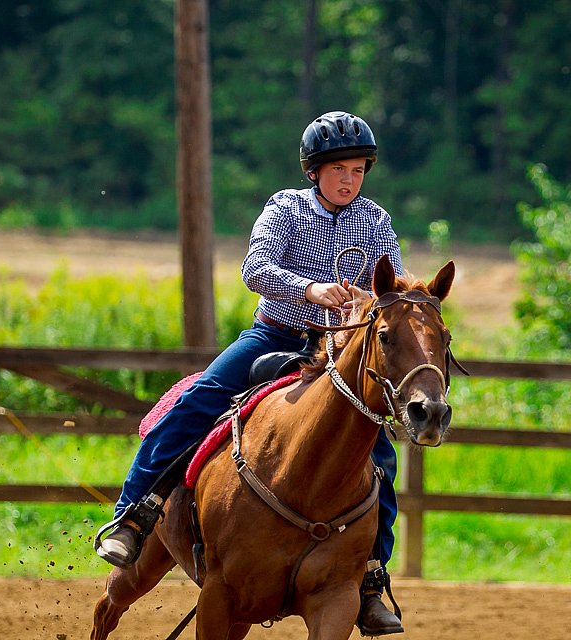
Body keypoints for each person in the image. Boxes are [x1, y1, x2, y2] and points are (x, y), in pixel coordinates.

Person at [95, 110, 405, 636]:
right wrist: (311, 290)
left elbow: (391, 287)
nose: (349, 180)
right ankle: (132, 515)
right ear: (313, 171)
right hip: (274, 335)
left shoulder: (375, 221)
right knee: (199, 401)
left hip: (340, 350)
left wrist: (370, 304)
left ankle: (371, 576)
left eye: (357, 169)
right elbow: (254, 269)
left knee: (379, 452)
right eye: (338, 170)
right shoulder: (285, 209)